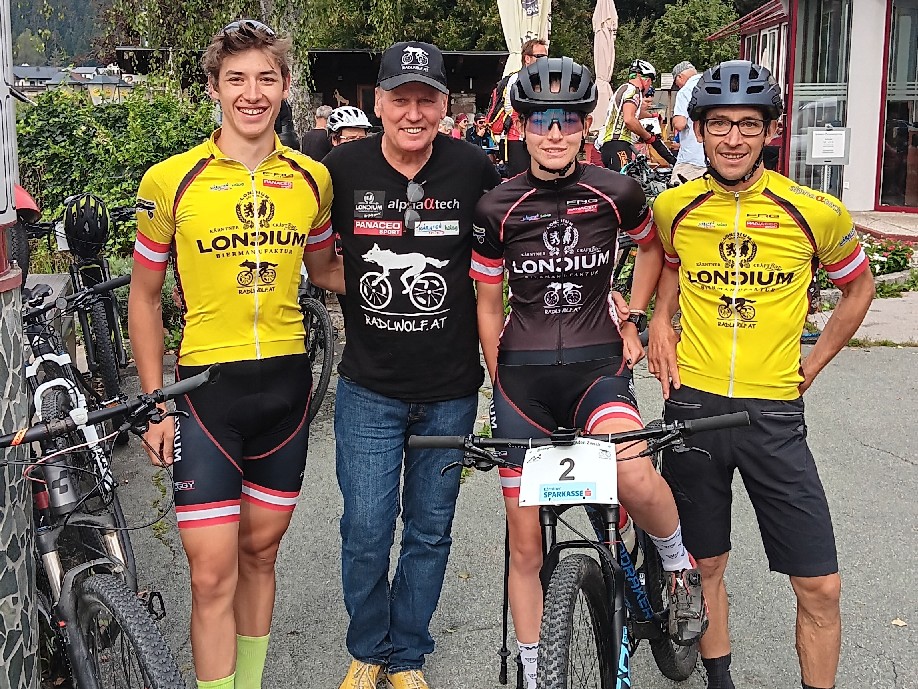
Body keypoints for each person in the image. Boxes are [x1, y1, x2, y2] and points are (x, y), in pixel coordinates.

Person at [471, 56, 708, 689]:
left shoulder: (616, 191)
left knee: (633, 474)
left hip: (597, 368)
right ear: (521, 126)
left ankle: (675, 562)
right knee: (526, 545)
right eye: (541, 120)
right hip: (522, 382)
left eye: (568, 120)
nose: (555, 133)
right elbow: (488, 305)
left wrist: (634, 314)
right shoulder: (496, 206)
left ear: (585, 125)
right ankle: (535, 672)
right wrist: (498, 382)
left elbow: (653, 248)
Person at [648, 60, 875, 689]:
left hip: (773, 414)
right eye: (719, 124)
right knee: (705, 566)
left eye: (748, 124)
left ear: (771, 131)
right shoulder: (675, 206)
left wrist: (814, 362)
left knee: (820, 585)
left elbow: (859, 288)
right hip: (693, 407)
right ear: (698, 129)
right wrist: (660, 319)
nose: (733, 138)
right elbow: (668, 262)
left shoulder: (814, 212)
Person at [128, 19, 340, 689]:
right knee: (210, 573)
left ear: (286, 86)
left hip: (286, 388)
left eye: (266, 79)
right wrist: (155, 404)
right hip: (205, 396)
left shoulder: (312, 179)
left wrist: (428, 263)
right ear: (214, 88)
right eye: (237, 79)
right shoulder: (171, 180)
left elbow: (327, 270)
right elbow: (144, 297)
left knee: (260, 554)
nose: (252, 93)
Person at [308, 40, 501, 689]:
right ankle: (369, 647)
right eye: (400, 99)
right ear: (380, 104)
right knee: (365, 528)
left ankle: (409, 654)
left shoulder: (475, 168)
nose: (413, 113)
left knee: (430, 529)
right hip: (369, 387)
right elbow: (319, 263)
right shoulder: (342, 168)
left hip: (450, 389)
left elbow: (515, 244)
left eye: (426, 99)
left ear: (445, 105)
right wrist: (370, 286)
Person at [595, 59, 676, 171]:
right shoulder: (634, 91)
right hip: (619, 143)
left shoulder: (624, 89)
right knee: (623, 181)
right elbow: (629, 119)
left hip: (609, 145)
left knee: (620, 180)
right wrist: (647, 136)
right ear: (647, 80)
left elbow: (632, 112)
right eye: (650, 82)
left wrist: (651, 116)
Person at [486, 38, 549, 176]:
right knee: (520, 180)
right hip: (517, 138)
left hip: (541, 137)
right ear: (527, 58)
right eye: (540, 57)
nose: (544, 61)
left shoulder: (547, 80)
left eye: (546, 57)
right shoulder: (516, 79)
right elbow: (510, 108)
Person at [669, 60, 706, 183]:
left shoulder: (686, 90)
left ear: (680, 76)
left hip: (692, 159)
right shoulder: (712, 84)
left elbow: (680, 124)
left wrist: (674, 119)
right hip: (715, 158)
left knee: (676, 192)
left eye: (677, 84)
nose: (678, 87)